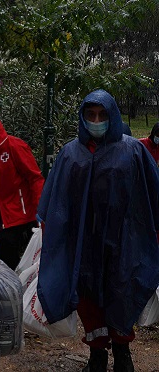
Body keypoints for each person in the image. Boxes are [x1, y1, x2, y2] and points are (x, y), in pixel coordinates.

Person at [36, 89, 159, 372]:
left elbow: (153, 195)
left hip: (121, 244)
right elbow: (55, 202)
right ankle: (97, 356)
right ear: (82, 117)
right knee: (89, 302)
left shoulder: (132, 151)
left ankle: (122, 354)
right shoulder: (70, 154)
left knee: (121, 295)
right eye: (90, 115)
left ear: (112, 116)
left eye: (102, 115)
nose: (96, 120)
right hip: (84, 245)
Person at [0, 109, 44, 270]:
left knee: (10, 258)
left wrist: (40, 208)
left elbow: (34, 178)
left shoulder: (14, 147)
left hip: (18, 217)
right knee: (3, 260)